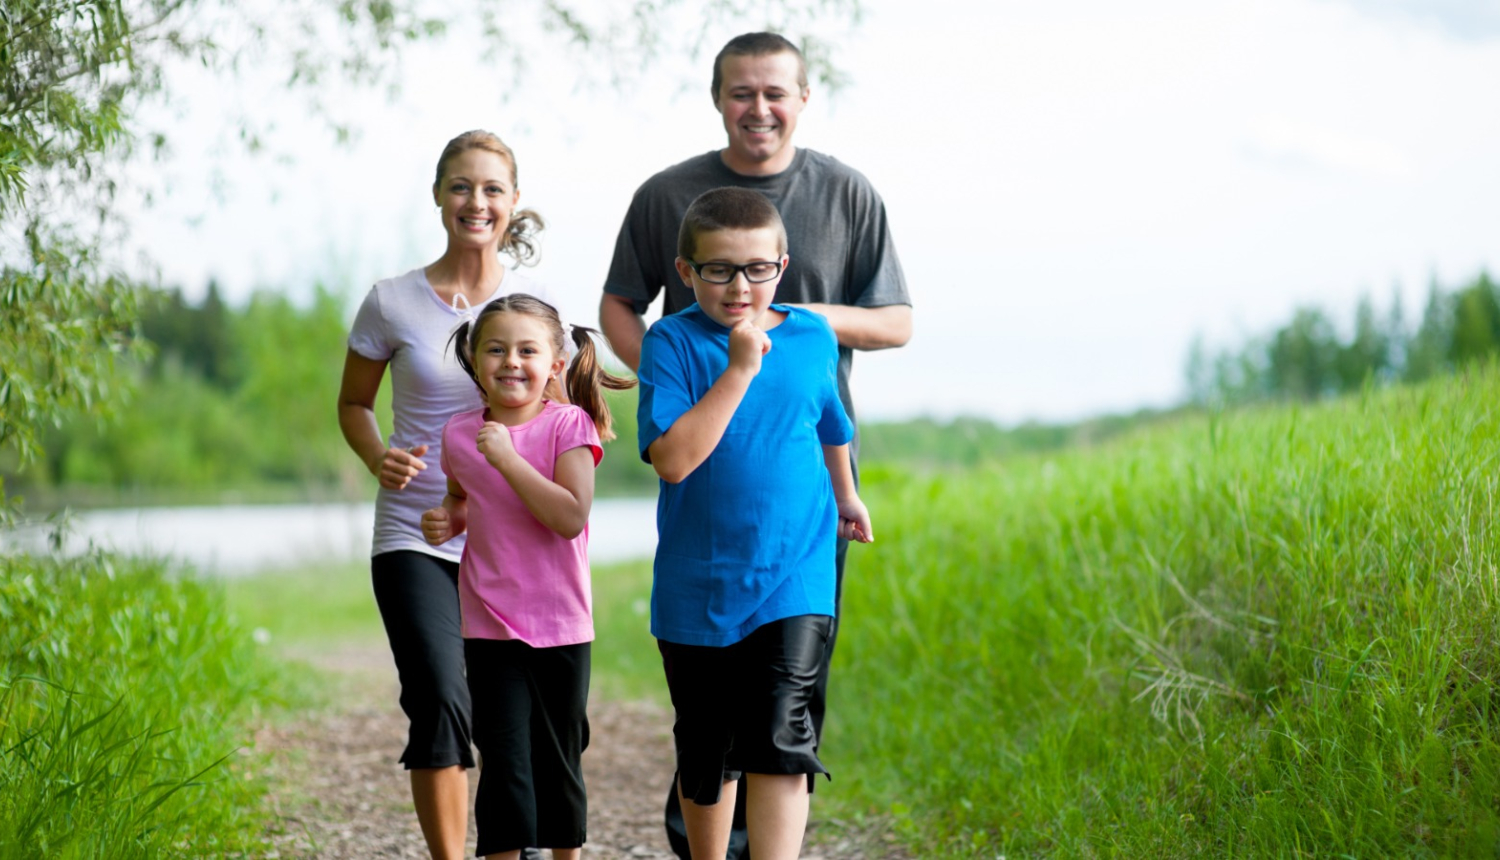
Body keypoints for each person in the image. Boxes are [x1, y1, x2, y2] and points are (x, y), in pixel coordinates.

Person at [598, 31, 912, 858]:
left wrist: (802, 323)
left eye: (775, 92)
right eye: (743, 92)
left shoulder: (845, 197)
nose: (759, 108)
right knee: (711, 735)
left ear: (802, 97)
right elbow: (623, 312)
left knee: (785, 717)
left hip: (799, 531)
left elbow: (868, 361)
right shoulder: (667, 199)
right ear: (718, 98)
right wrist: (700, 377)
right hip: (701, 547)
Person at [637, 186, 875, 860]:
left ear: (783, 264)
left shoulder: (811, 336)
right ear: (687, 271)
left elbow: (831, 422)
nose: (740, 287)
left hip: (795, 570)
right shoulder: (671, 344)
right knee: (708, 742)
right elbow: (675, 461)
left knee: (781, 731)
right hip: (699, 582)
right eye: (718, 269)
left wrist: (847, 495)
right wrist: (739, 369)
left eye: (757, 270)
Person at [338, 130, 553, 860]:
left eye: (493, 189)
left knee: (510, 718)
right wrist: (379, 458)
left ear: (514, 202)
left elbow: (567, 416)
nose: (476, 202)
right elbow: (353, 406)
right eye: (461, 186)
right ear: (438, 196)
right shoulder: (392, 302)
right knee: (437, 697)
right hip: (414, 534)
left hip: (512, 539)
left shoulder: (535, 308)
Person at [420, 293, 634, 859]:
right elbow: (468, 498)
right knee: (504, 759)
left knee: (558, 756)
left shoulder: (570, 425)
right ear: (475, 360)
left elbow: (569, 516)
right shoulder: (461, 434)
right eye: (496, 349)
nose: (511, 361)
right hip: (489, 624)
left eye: (526, 350)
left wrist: (509, 458)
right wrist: (449, 518)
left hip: (561, 625)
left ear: (554, 365)